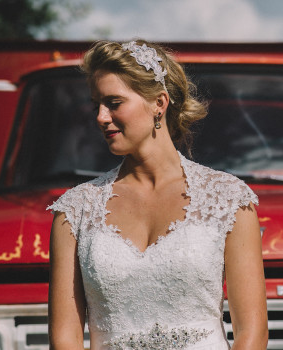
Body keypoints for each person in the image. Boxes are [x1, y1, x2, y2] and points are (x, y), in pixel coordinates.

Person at [47, 39, 268, 350]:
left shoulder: (229, 200)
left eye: (113, 102)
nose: (100, 116)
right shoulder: (75, 210)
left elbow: (252, 335)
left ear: (159, 104)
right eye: (96, 103)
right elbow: (64, 340)